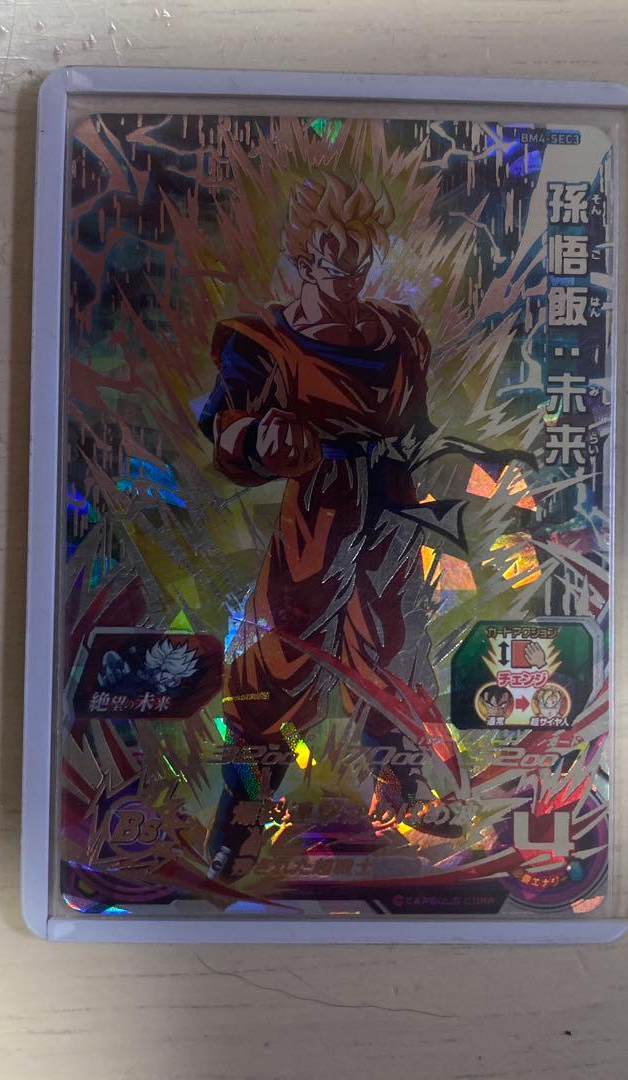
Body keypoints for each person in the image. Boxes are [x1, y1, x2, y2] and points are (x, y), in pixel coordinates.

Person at [198, 173, 466, 880]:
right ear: (302, 257)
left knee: (394, 646)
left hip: (391, 508)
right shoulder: (263, 343)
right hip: (319, 508)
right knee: (281, 653)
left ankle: (402, 793)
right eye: (329, 259)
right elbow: (227, 427)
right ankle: (242, 810)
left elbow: (420, 426)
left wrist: (441, 475)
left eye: (357, 258)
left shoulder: (400, 333)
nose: (345, 275)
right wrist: (262, 437)